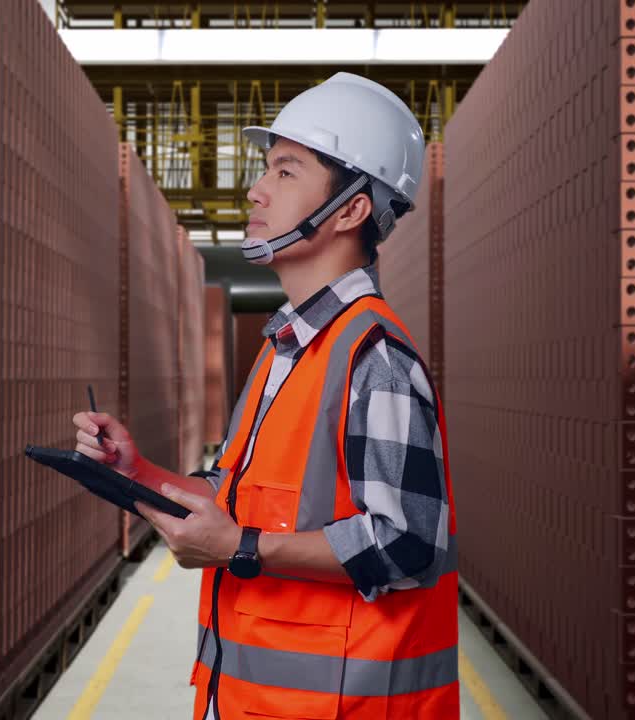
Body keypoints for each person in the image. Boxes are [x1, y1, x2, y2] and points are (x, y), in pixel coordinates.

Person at [71, 72, 459, 720]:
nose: (257, 189)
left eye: (285, 172)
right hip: (256, 701)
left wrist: (240, 549)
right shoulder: (288, 347)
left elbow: (406, 544)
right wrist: (136, 474)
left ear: (352, 209)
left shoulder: (375, 359)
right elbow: (237, 501)